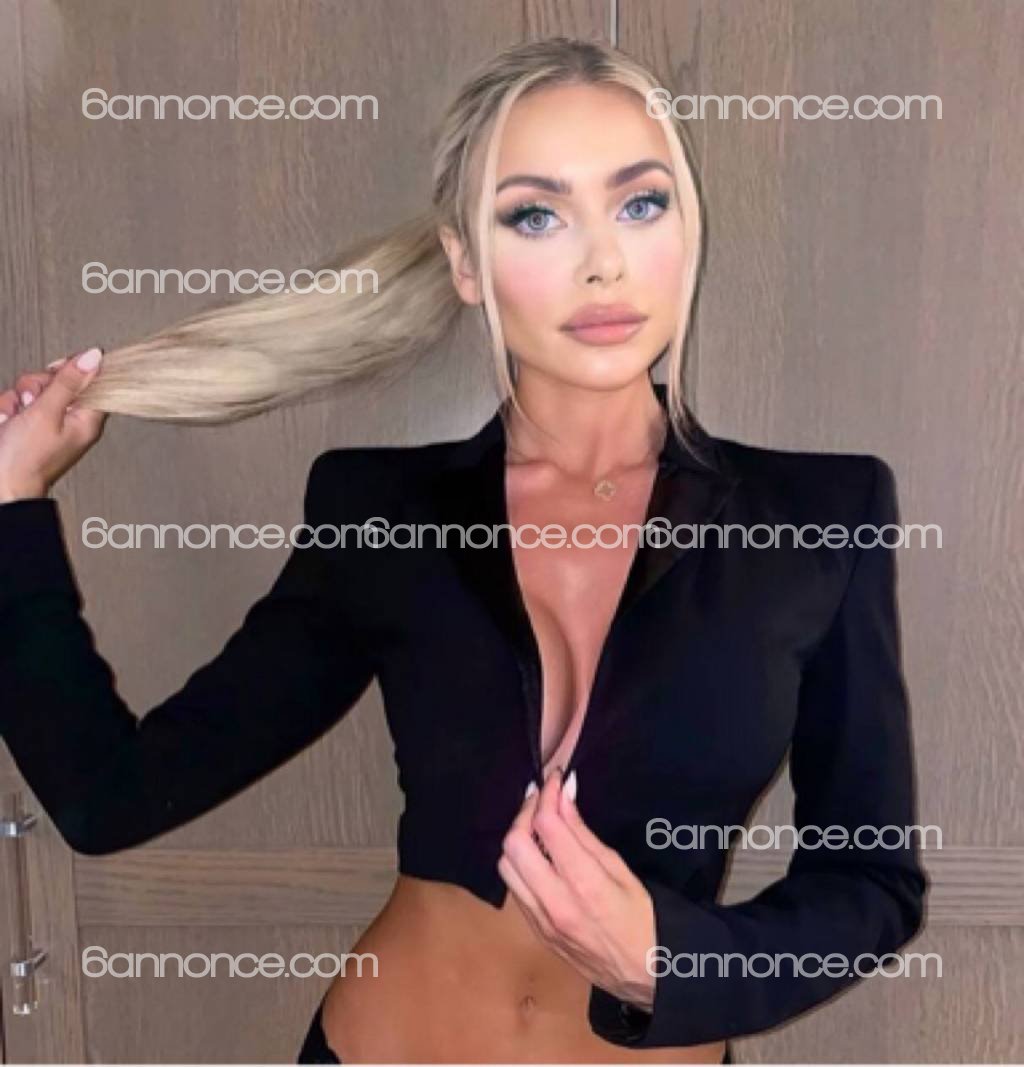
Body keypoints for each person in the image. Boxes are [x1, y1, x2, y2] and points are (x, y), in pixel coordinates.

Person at [0, 37, 925, 1065]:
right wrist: (10, 506)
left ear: (687, 227)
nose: (603, 261)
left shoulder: (818, 517)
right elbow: (111, 796)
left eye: (640, 203)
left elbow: (871, 881)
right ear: (466, 264)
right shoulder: (382, 512)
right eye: (536, 215)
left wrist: (673, 965)